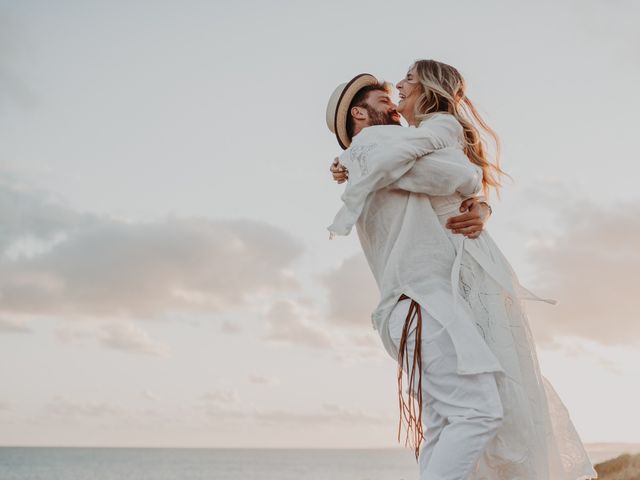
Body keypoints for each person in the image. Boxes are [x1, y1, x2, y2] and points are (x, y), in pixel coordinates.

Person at [325, 61, 597, 480]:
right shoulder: (375, 145)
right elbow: (450, 174)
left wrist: (480, 204)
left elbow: (444, 185)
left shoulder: (381, 154)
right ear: (359, 115)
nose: (395, 102)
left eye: (400, 92)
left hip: (416, 304)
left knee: (447, 422)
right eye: (383, 99)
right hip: (421, 303)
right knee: (479, 413)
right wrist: (471, 181)